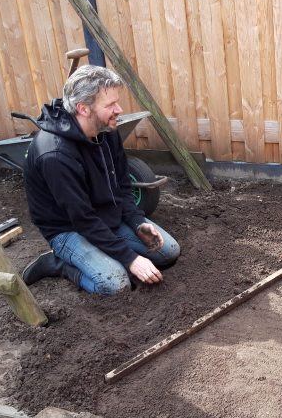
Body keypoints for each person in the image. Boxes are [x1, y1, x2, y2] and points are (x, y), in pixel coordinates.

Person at [21, 65, 180, 295]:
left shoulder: (105, 130)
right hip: (68, 229)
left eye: (117, 101)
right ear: (83, 109)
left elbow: (123, 186)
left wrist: (137, 222)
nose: (119, 109)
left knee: (168, 252)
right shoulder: (55, 154)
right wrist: (130, 259)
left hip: (105, 217)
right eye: (110, 105)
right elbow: (82, 219)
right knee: (116, 284)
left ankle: (103, 254)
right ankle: (61, 265)